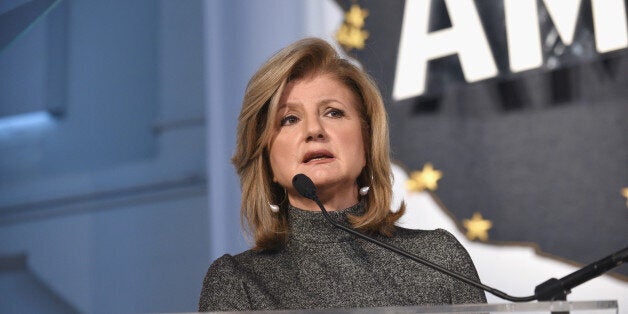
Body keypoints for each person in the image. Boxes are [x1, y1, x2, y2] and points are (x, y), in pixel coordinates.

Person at [198, 37, 486, 312]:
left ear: (367, 139)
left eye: (333, 113)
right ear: (266, 160)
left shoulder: (437, 259)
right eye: (289, 119)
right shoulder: (239, 283)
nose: (314, 130)